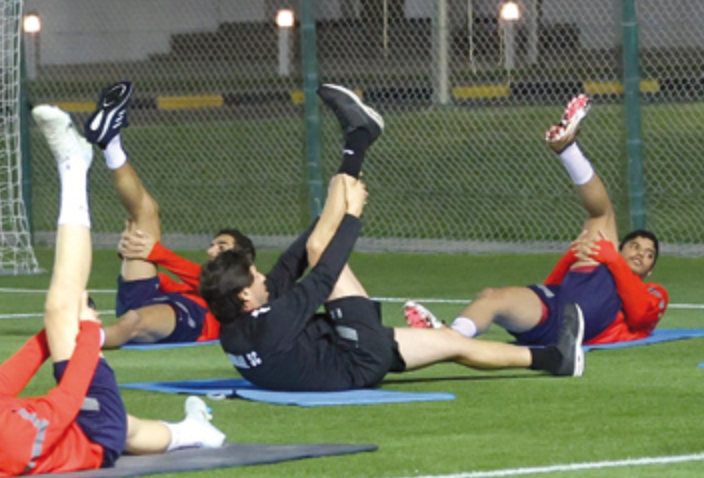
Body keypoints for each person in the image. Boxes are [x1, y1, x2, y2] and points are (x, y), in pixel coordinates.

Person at [0, 105, 228, 478]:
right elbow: (66, 402)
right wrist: (83, 330)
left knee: (127, 424)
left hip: (79, 421)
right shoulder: (6, 443)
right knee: (60, 305)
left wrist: (46, 339)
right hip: (92, 431)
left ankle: (194, 432)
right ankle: (73, 167)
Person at [199, 85, 585, 393]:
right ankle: (359, 139)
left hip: (350, 354)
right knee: (321, 251)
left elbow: (288, 265)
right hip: (358, 353)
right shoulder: (271, 323)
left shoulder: (237, 326)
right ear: (246, 297)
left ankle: (555, 359)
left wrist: (331, 210)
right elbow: (321, 270)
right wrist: (350, 217)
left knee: (453, 342)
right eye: (256, 278)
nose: (265, 277)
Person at [434, 95, 666, 347]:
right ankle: (448, 338)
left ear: (651, 269)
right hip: (558, 311)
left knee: (601, 216)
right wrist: (570, 257)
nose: (641, 254)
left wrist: (613, 260)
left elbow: (641, 316)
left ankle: (567, 149)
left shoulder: (654, 292)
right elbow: (554, 287)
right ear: (621, 247)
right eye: (635, 246)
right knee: (491, 297)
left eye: (649, 254)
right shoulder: (604, 259)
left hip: (587, 319)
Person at [78, 80, 253, 348]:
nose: (213, 249)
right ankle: (111, 142)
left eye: (223, 245)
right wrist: (133, 252)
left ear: (243, 257)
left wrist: (156, 253)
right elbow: (166, 282)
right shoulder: (199, 280)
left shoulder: (245, 282)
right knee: (146, 212)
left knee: (136, 320)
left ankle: (87, 338)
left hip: (190, 317)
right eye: (213, 243)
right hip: (150, 296)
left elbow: (210, 283)